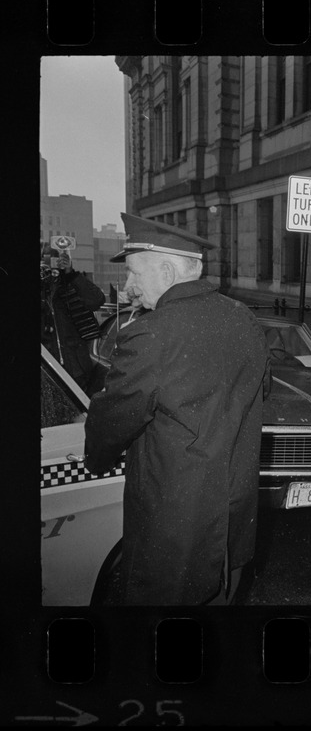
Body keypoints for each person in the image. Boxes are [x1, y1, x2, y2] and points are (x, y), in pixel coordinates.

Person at [83, 214, 270, 605]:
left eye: (134, 273)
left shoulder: (150, 333)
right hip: (234, 514)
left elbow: (114, 417)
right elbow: (257, 394)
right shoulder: (244, 318)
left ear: (166, 271)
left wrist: (95, 460)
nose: (129, 286)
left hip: (172, 524)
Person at [40, 247, 105, 392]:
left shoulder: (69, 285)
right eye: (45, 261)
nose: (49, 268)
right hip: (48, 369)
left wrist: (70, 273)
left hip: (76, 368)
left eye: (54, 262)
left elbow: (97, 300)